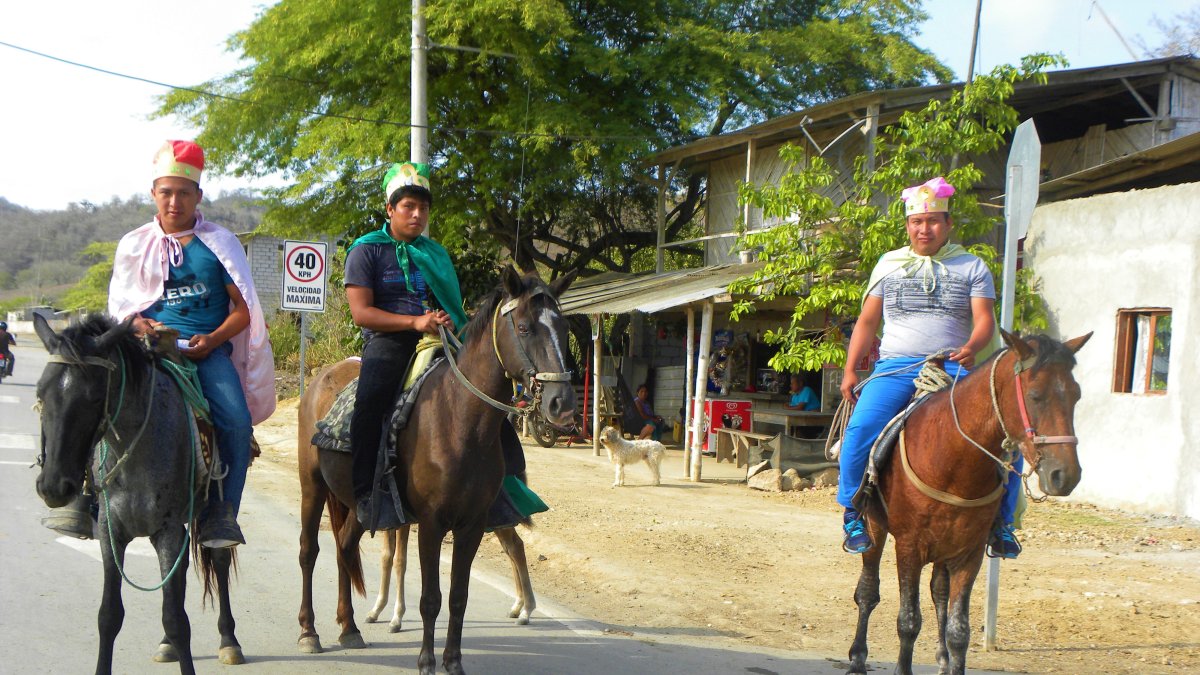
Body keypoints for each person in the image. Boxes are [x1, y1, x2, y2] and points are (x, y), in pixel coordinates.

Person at [836, 176, 1021, 559]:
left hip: (951, 367)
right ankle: (852, 512)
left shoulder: (972, 266)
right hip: (895, 367)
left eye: (934, 220)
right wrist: (851, 369)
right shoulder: (888, 264)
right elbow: (868, 322)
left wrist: (972, 346)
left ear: (948, 224)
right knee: (861, 427)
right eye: (918, 222)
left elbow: (984, 319)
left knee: (1006, 434)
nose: (925, 228)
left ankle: (1001, 523)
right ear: (907, 225)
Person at [108, 140, 276, 549]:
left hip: (205, 353)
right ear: (153, 194)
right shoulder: (134, 245)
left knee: (236, 422)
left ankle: (223, 514)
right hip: (150, 352)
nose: (174, 201)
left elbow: (243, 310)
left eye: (184, 192)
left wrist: (213, 340)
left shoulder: (219, 244)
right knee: (95, 395)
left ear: (198, 196)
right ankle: (85, 493)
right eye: (166, 192)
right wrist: (138, 324)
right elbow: (121, 307)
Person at [344, 161, 469, 531]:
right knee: (370, 401)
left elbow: (449, 302)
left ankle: (500, 486)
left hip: (440, 337)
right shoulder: (367, 251)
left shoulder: (436, 254)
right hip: (390, 340)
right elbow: (361, 313)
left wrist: (446, 319)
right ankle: (365, 494)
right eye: (408, 207)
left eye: (423, 208)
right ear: (390, 209)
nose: (417, 215)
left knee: (486, 386)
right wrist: (414, 322)